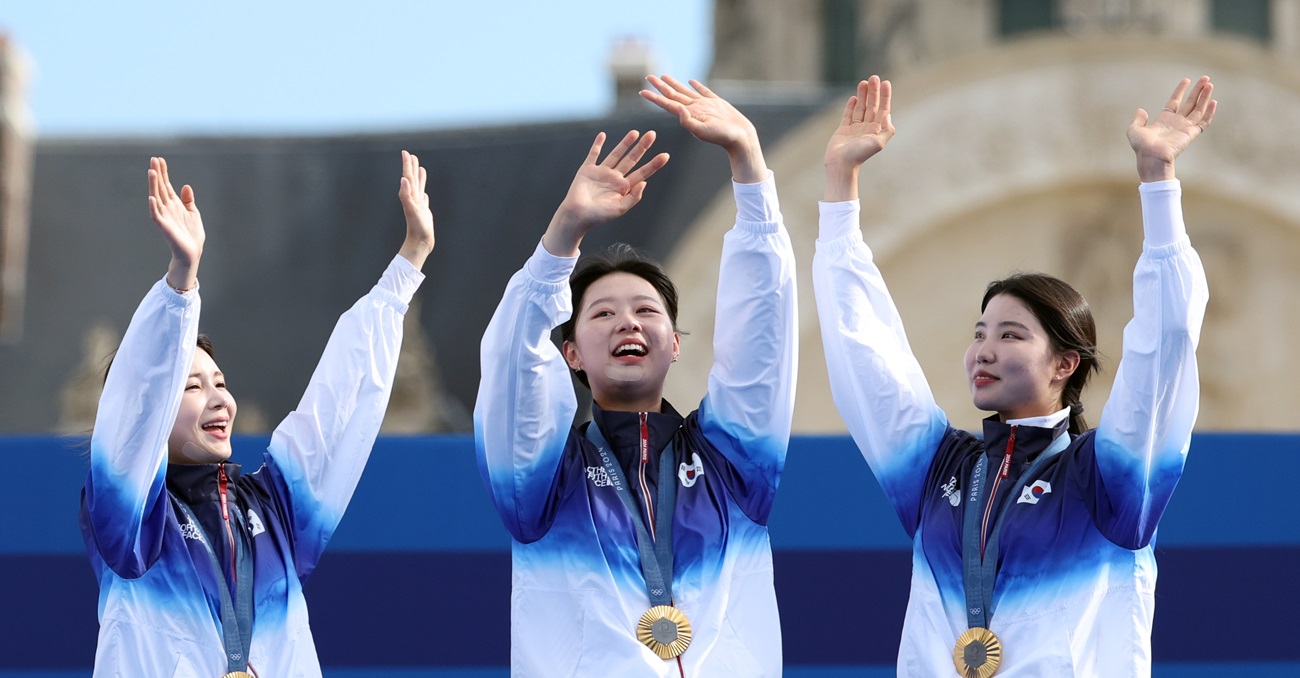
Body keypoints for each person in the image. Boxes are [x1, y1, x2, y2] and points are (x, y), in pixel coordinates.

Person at [813, 75, 1213, 676]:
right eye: (978, 334)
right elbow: (864, 351)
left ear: (1065, 363)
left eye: (1010, 335)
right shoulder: (936, 470)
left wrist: (1159, 182)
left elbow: (1165, 349)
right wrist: (841, 186)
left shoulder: (1108, 478)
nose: (984, 351)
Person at [475, 75, 796, 676]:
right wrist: (563, 236)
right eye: (602, 313)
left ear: (675, 345)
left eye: (647, 311)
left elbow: (764, 338)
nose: (628, 322)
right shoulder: (542, 482)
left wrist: (751, 167)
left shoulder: (734, 464)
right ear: (570, 352)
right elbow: (513, 370)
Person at [79, 151, 435, 676]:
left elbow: (335, 407)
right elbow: (136, 405)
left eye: (220, 383)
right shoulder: (130, 524)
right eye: (193, 387)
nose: (220, 399)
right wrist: (181, 284)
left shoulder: (275, 511)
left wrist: (410, 262)